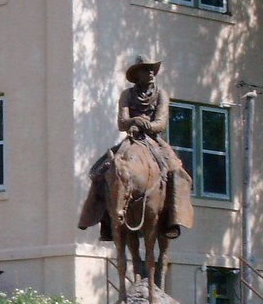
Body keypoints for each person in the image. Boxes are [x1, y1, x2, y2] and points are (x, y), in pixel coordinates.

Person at [78, 55, 194, 240]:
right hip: (132, 139)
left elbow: (161, 123)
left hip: (154, 139)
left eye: (152, 69)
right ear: (137, 74)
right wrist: (133, 121)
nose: (150, 73)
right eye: (146, 69)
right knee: (103, 171)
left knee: (176, 171)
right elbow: (121, 122)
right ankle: (103, 221)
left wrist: (144, 124)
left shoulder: (161, 94)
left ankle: (174, 220)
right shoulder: (127, 94)